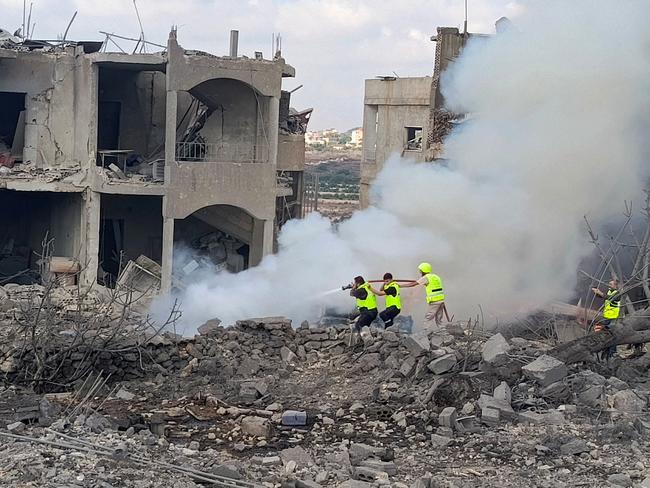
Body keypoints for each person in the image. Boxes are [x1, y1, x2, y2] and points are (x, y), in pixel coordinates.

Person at [401, 262, 445, 327]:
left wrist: (401, 286)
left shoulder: (426, 278)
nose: (420, 272)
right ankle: (444, 332)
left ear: (423, 271)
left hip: (434, 301)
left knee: (428, 318)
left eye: (420, 271)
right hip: (441, 300)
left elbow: (413, 284)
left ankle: (426, 333)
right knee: (439, 318)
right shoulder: (436, 277)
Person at [591, 278, 621, 360]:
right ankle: (605, 350)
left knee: (612, 334)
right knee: (603, 333)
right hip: (606, 317)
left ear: (615, 286)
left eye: (611, 284)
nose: (609, 285)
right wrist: (596, 292)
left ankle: (613, 353)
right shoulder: (610, 292)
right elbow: (603, 297)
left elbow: (609, 298)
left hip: (613, 318)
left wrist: (600, 292)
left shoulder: (617, 293)